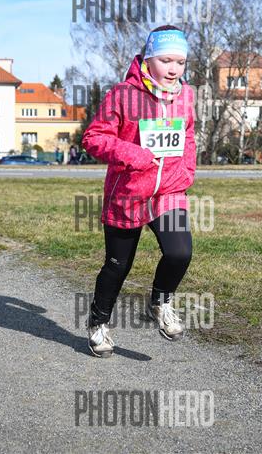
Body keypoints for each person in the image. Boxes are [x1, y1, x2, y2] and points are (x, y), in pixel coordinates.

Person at [81, 25, 196, 358]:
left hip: (169, 190)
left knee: (180, 253)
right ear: (148, 59)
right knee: (118, 265)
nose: (173, 69)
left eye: (180, 62)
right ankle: (98, 323)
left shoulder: (186, 95)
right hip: (129, 192)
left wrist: (187, 171)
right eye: (165, 61)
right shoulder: (123, 94)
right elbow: (93, 138)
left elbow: (188, 135)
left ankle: (160, 302)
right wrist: (135, 155)